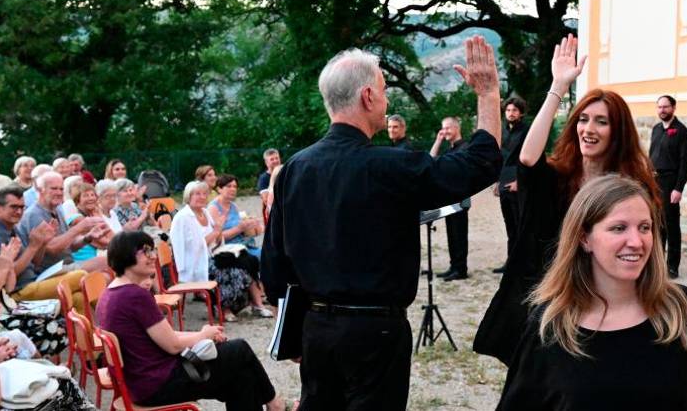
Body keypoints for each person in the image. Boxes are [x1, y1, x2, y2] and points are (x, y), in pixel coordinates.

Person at [262, 36, 502, 409]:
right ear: (368, 97)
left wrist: (295, 329)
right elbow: (480, 164)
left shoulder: (295, 168)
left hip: (317, 328)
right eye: (385, 90)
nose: (388, 101)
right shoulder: (390, 166)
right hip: (375, 332)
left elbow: (275, 261)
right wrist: (487, 96)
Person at [474, 33, 660, 365]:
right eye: (584, 120)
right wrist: (558, 87)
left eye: (601, 122)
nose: (589, 129)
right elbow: (528, 159)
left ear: (617, 131)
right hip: (553, 298)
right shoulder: (558, 177)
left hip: (606, 301)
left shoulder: (630, 189)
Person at [496, 175, 687, 410]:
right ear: (584, 238)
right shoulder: (551, 324)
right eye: (619, 228)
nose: (636, 242)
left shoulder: (681, 310)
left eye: (644, 228)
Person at [97, 231, 284, 410]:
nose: (153, 256)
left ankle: (274, 404)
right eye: (145, 251)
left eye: (152, 249)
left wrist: (202, 335)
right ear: (125, 255)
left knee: (240, 377)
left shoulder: (110, 293)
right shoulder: (134, 295)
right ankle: (275, 402)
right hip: (157, 384)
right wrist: (204, 334)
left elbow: (162, 335)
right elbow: (172, 345)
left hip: (139, 384)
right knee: (238, 350)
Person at [171, 181, 267, 321]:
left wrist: (218, 233)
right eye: (197, 194)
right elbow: (194, 247)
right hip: (194, 263)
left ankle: (256, 304)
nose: (202, 197)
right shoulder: (183, 217)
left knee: (247, 261)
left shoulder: (204, 212)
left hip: (211, 254)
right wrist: (216, 231)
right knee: (230, 271)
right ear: (188, 196)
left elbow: (216, 238)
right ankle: (224, 308)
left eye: (204, 194)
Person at [0, 210, 69, 357]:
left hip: (10, 306)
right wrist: (3, 268)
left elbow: (9, 287)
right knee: (51, 329)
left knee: (61, 320)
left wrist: (8, 265)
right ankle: (42, 366)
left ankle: (47, 366)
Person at [0, 185, 88, 312]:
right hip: (18, 292)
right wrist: (32, 246)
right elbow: (7, 274)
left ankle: (94, 330)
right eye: (14, 207)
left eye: (21, 207)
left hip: (34, 281)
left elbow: (35, 263)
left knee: (78, 298)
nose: (19, 212)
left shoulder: (14, 228)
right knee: (81, 275)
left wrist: (42, 244)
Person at [649, 95, 687, 279]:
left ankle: (672, 266)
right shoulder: (656, 129)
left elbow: (685, 162)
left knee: (671, 225)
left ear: (674, 108)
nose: (662, 110)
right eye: (659, 107)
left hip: (670, 182)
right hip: (654, 181)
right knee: (656, 224)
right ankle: (657, 265)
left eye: (666, 107)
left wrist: (678, 188)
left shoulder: (681, 132)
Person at [430, 116, 471, 281]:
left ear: (456, 128)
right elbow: (431, 159)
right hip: (449, 200)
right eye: (443, 128)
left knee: (459, 235)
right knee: (451, 235)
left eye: (447, 128)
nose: (444, 131)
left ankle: (461, 269)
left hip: (460, 200)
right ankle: (454, 266)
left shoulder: (465, 148)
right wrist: (438, 141)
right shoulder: (449, 149)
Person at [493, 96, 529, 274]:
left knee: (520, 224)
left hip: (519, 181)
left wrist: (520, 181)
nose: (511, 113)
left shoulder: (526, 130)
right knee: (509, 226)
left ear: (520, 112)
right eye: (508, 110)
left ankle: (522, 264)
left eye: (514, 110)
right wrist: (497, 181)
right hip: (504, 180)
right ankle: (511, 263)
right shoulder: (503, 130)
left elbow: (529, 158)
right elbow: (501, 157)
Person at [208, 174, 263, 256]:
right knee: (266, 257)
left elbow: (246, 232)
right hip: (228, 250)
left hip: (243, 244)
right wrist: (239, 228)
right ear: (219, 189)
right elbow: (216, 238)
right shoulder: (213, 208)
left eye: (235, 186)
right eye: (229, 186)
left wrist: (251, 226)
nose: (233, 189)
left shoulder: (233, 206)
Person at [68, 183, 113, 262]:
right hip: (82, 262)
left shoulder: (92, 217)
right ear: (78, 199)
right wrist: (99, 217)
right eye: (86, 196)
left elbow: (112, 238)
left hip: (94, 260)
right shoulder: (77, 219)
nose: (90, 198)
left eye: (92, 195)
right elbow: (107, 243)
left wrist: (99, 216)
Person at [257, 149, 282, 222]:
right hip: (272, 213)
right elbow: (265, 199)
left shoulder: (285, 174)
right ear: (266, 162)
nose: (275, 161)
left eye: (277, 158)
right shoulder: (263, 178)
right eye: (272, 159)